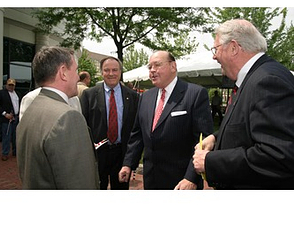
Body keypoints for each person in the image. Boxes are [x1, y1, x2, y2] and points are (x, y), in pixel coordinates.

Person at [193, 19, 294, 189]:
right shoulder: (256, 78)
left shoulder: (267, 81)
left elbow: (279, 155)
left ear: (233, 48)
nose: (214, 56)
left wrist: (211, 162)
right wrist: (216, 138)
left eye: (215, 49)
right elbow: (248, 126)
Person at [119, 51, 213, 190]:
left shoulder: (195, 94)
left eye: (157, 65)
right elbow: (138, 135)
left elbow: (202, 140)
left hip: (181, 181)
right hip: (151, 178)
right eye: (149, 67)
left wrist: (191, 177)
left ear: (173, 66)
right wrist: (128, 164)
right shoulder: (146, 97)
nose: (152, 70)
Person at [16, 46, 99, 189]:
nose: (78, 77)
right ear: (63, 73)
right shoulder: (67, 117)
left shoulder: (31, 108)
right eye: (76, 70)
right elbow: (80, 184)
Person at [80, 56, 139, 190]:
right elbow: (84, 127)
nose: (111, 74)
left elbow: (135, 129)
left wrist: (131, 159)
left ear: (120, 72)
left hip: (121, 154)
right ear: (101, 72)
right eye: (107, 70)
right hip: (97, 154)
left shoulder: (133, 97)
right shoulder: (89, 95)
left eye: (115, 70)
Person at [0, 78, 22, 161]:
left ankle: (15, 152)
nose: (11, 87)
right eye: (9, 85)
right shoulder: (1, 93)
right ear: (6, 85)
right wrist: (5, 114)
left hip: (16, 117)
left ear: (14, 86)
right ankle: (5, 153)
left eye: (12, 85)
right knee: (6, 136)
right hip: (6, 119)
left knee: (15, 136)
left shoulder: (18, 94)